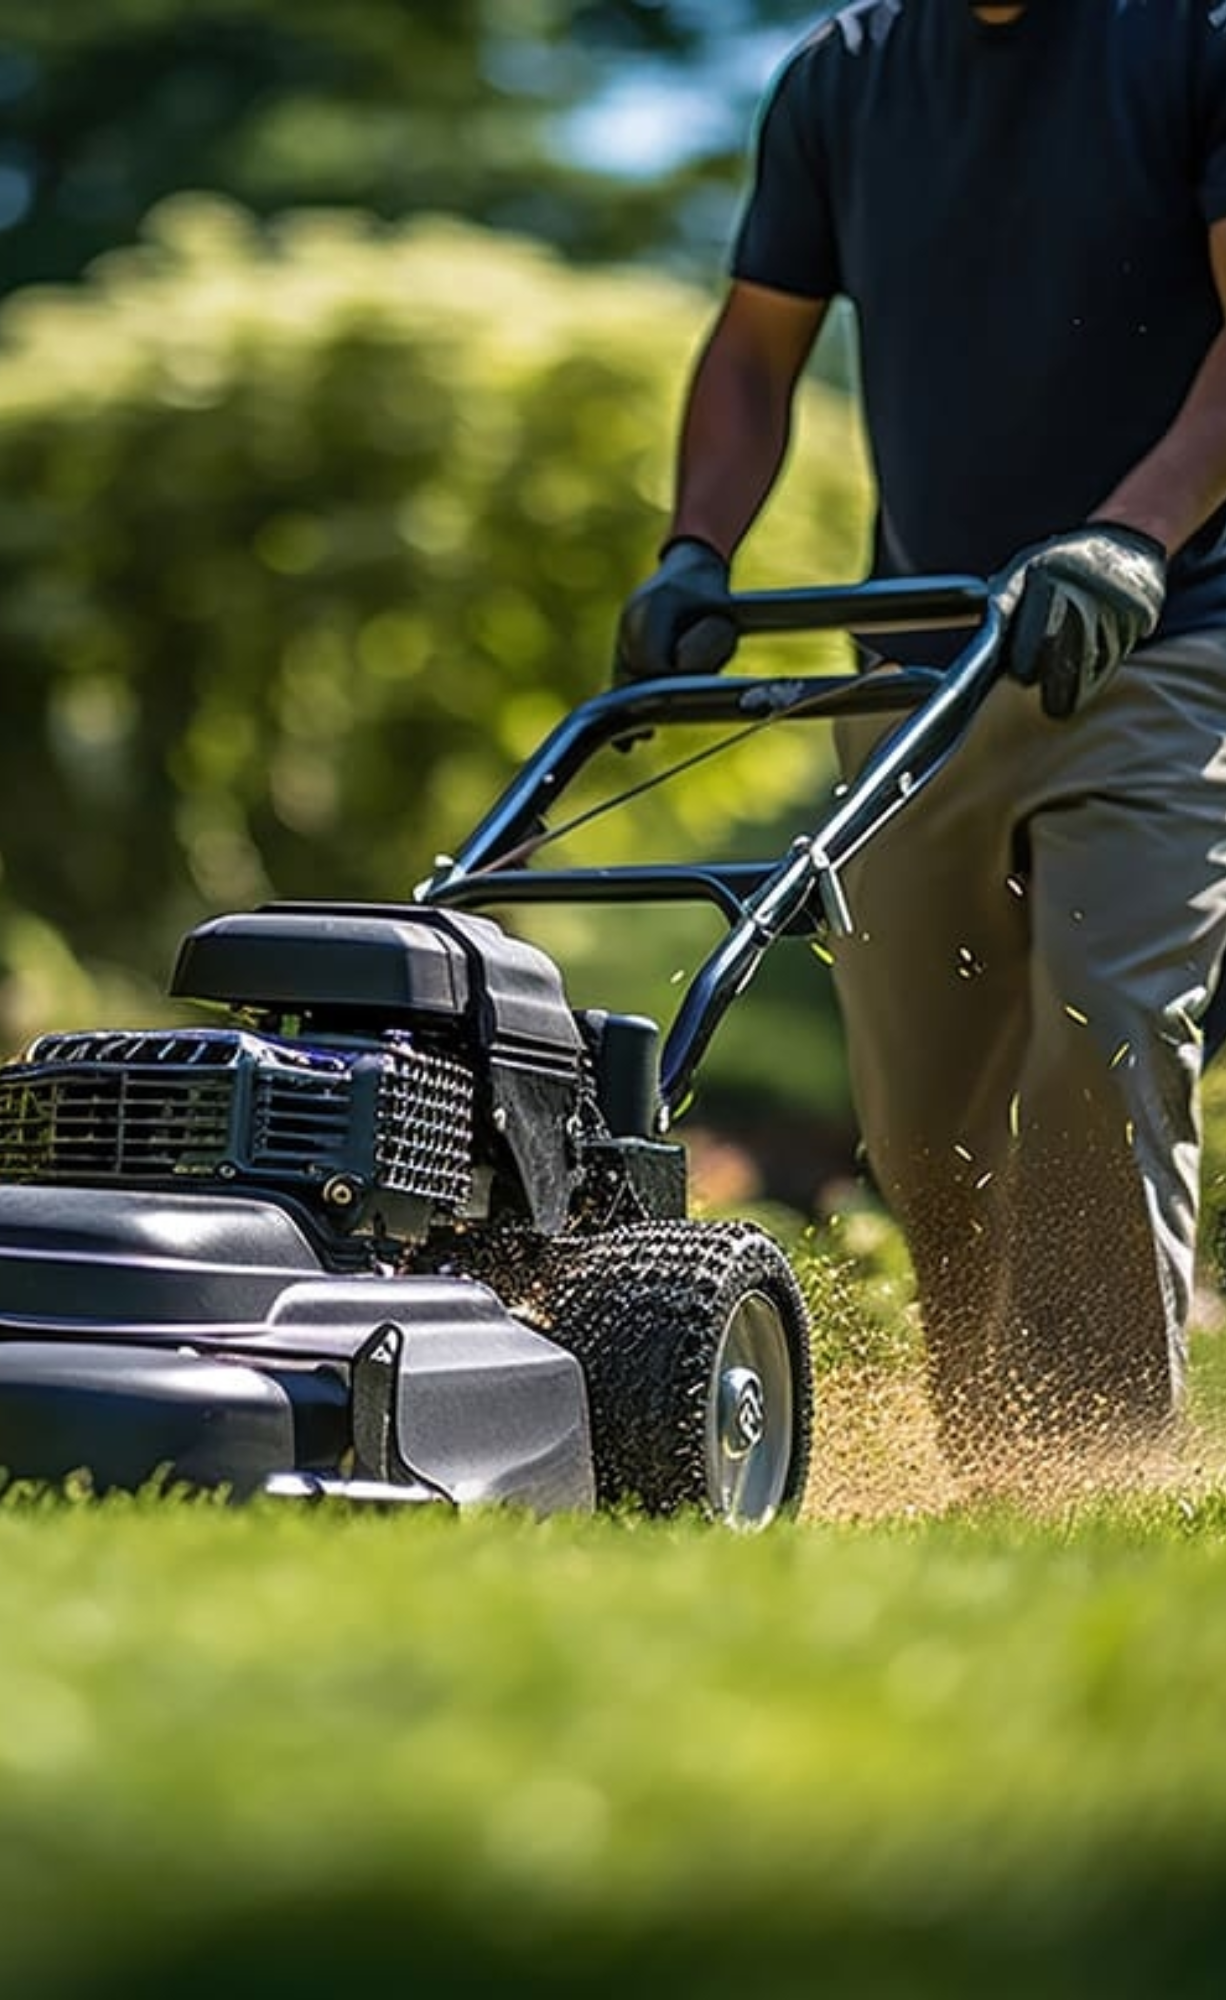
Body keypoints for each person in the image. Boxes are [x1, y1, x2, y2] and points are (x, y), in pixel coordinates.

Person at [615, 0, 1226, 1470]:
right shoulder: (845, 77)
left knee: (1106, 1029)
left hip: (1163, 639)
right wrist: (698, 547)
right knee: (921, 1120)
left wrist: (1130, 537)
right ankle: (992, 1469)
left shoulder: (1191, 41)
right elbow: (758, 348)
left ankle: (1090, 1477)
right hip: (921, 666)